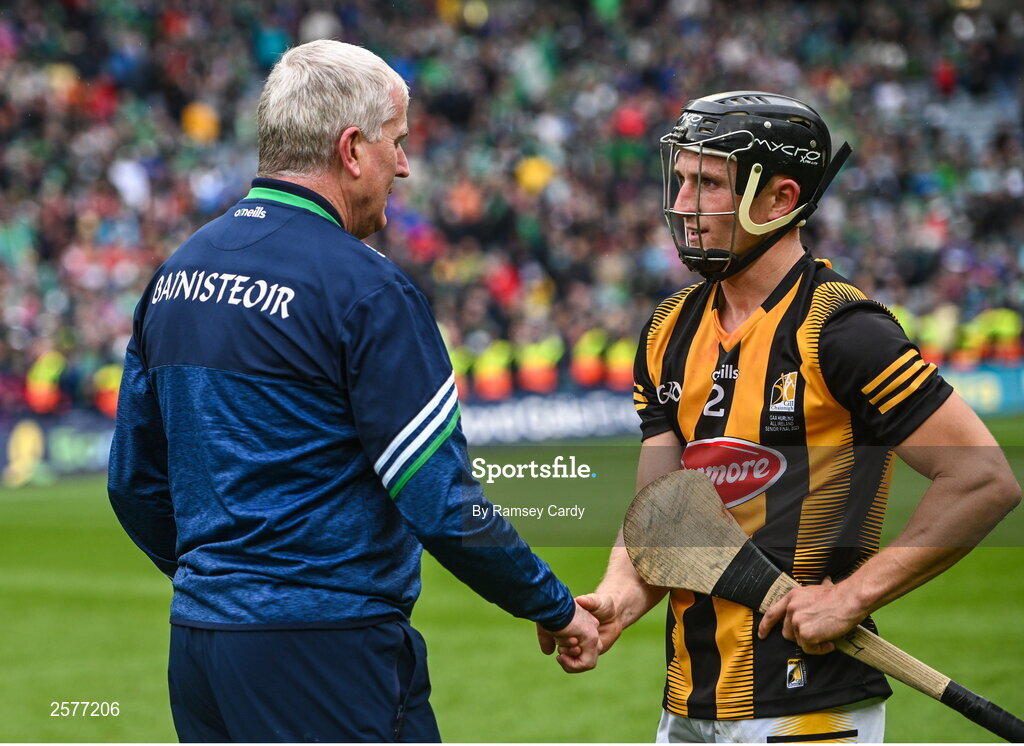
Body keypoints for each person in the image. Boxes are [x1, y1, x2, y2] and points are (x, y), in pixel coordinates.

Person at [107, 39, 599, 743]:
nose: (403, 165)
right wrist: (553, 605)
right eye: (395, 143)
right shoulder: (367, 289)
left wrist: (221, 585)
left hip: (200, 652)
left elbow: (132, 483)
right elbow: (440, 502)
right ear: (351, 148)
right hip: (329, 653)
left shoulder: (177, 274)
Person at [575, 91, 1021, 742]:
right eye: (681, 180)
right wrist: (617, 596)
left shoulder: (840, 330)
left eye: (708, 184)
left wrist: (851, 597)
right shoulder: (667, 330)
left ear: (781, 200)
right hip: (687, 707)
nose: (684, 204)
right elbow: (663, 516)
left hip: (807, 710)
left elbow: (984, 482)